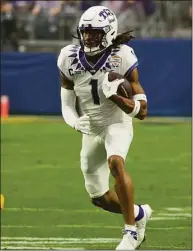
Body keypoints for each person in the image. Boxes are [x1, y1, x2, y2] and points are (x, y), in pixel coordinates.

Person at [57, 6, 152, 250]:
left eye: (95, 33)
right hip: (90, 128)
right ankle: (139, 214)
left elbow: (141, 112)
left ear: (108, 33)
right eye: (85, 32)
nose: (88, 38)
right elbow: (67, 104)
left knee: (115, 163)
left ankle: (131, 232)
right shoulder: (68, 58)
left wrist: (118, 98)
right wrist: (75, 121)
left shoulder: (122, 56)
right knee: (99, 198)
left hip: (116, 122)